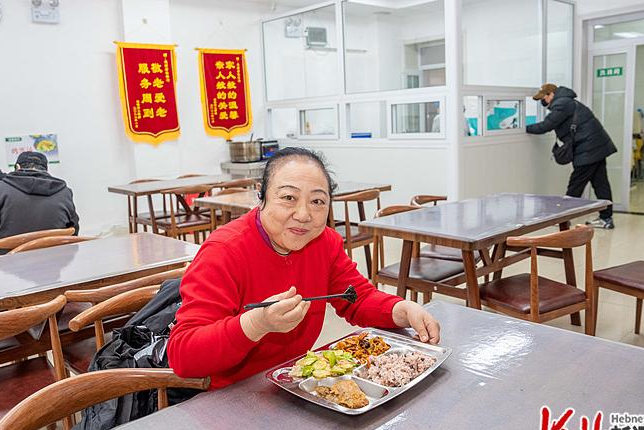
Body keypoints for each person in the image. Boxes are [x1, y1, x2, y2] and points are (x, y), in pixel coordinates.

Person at [168, 147, 441, 390]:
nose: (303, 214)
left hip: (295, 383)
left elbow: (357, 298)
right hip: (233, 396)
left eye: (317, 201)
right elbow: (184, 356)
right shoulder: (224, 252)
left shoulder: (324, 243)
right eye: (288, 197)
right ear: (261, 198)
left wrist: (401, 310)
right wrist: (256, 323)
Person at [526, 83, 618, 229]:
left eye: (544, 98)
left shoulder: (562, 104)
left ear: (551, 94)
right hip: (596, 146)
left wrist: (522, 128)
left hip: (588, 148)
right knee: (600, 183)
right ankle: (606, 218)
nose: (543, 102)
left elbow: (546, 125)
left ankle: (564, 218)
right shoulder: (567, 101)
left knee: (576, 184)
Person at [0, 151, 80, 243]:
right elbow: (74, 230)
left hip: (8, 263)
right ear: (46, 170)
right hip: (56, 260)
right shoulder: (64, 191)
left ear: (17, 167)